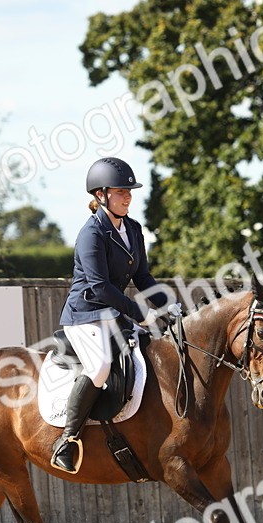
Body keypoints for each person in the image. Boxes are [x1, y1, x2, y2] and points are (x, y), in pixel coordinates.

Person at [51, 157, 171, 474]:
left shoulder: (133, 228)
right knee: (100, 366)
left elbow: (142, 277)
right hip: (85, 314)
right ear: (101, 195)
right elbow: (100, 286)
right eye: (121, 192)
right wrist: (139, 313)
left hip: (114, 314)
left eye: (129, 191)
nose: (128, 197)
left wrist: (168, 306)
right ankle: (67, 440)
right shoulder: (92, 233)